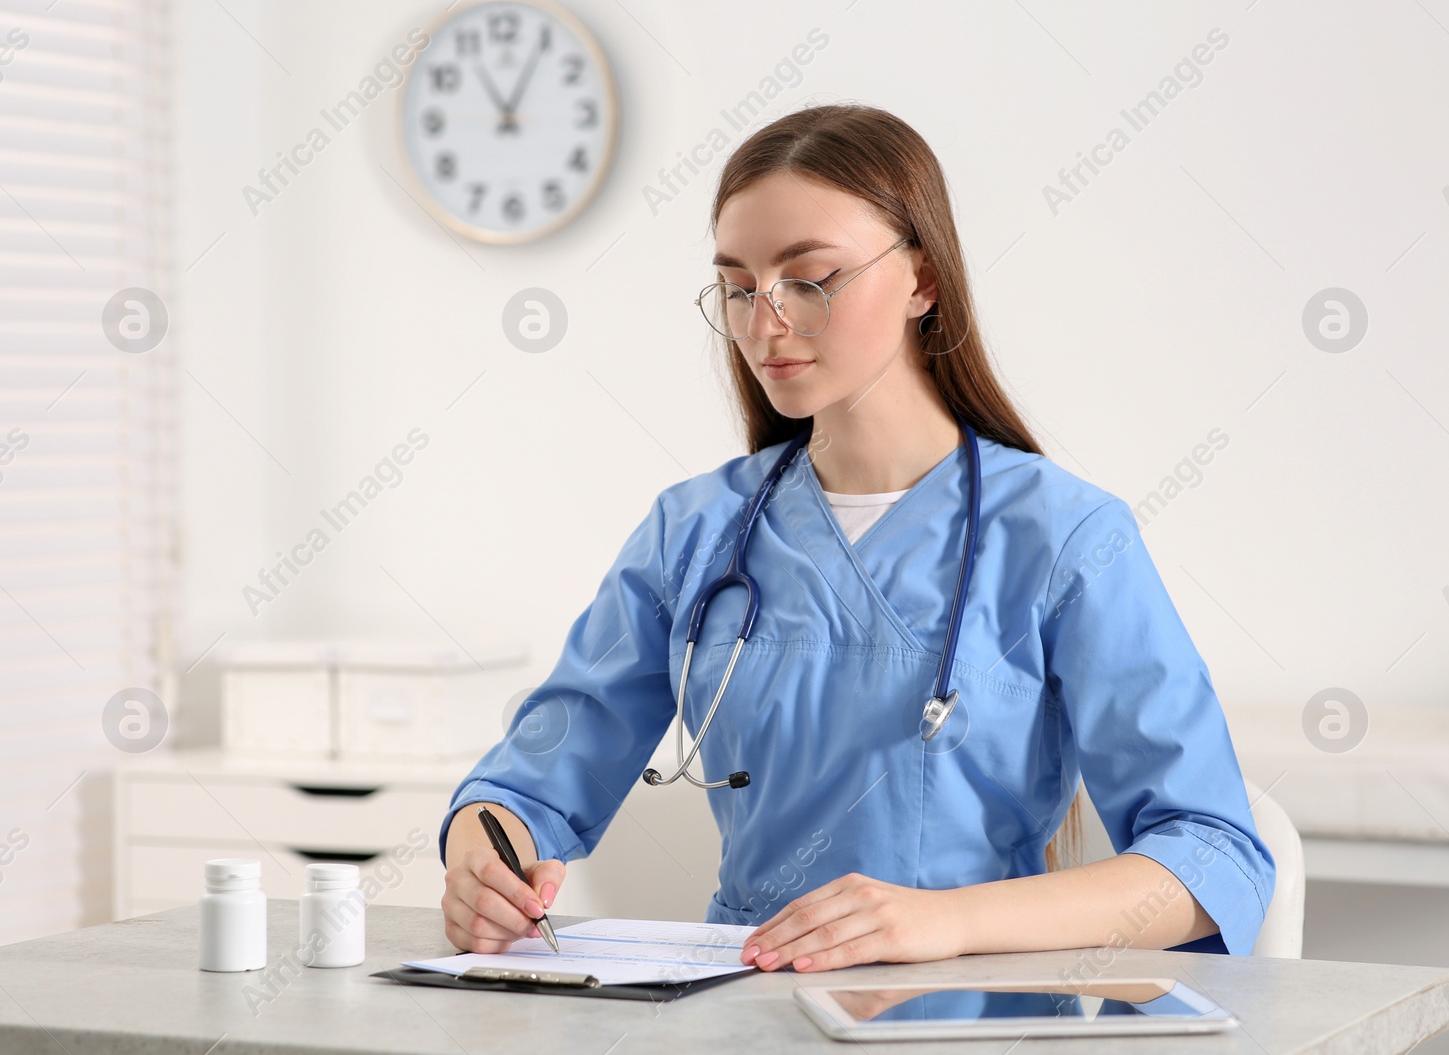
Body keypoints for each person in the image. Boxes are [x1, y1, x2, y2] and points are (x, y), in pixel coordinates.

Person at [439, 103, 1274, 973]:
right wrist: (482, 856)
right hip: (740, 1011)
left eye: (811, 279)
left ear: (923, 280)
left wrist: (944, 921)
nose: (764, 324)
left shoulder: (1065, 538)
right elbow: (527, 783)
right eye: (737, 286)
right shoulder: (692, 533)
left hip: (972, 1023)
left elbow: (1210, 856)